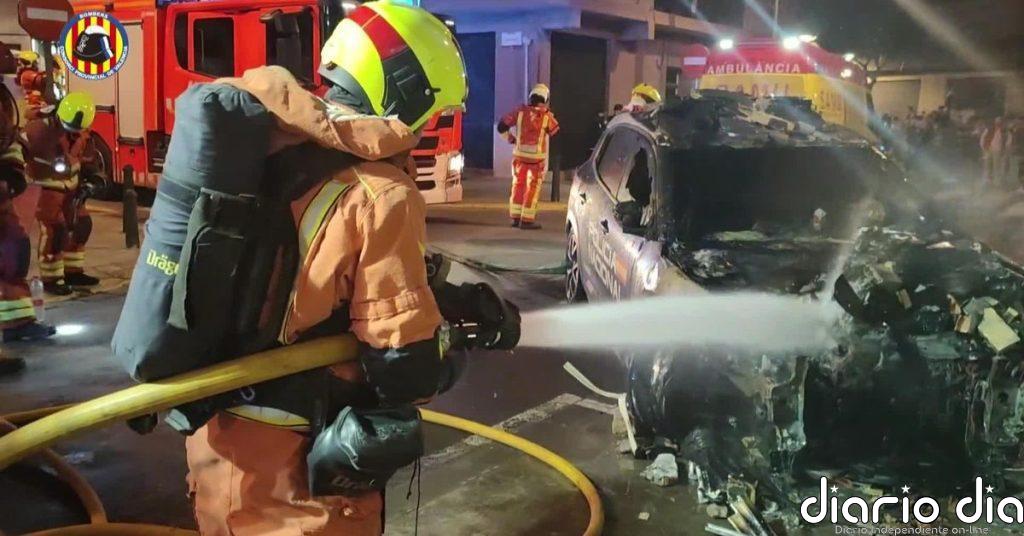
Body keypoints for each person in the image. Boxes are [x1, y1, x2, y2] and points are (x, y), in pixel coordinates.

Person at [182, 3, 474, 534]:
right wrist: (451, 347)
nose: (428, 126)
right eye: (433, 113)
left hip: (218, 445)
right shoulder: (379, 193)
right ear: (404, 93)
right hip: (298, 475)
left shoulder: (264, 145)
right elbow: (401, 365)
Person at [21, 92, 99, 295]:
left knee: (83, 224)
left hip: (71, 186)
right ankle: (52, 278)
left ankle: (73, 271)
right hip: (45, 185)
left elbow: (87, 156)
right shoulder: (38, 129)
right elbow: (22, 154)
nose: (73, 132)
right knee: (56, 230)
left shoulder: (82, 131)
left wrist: (94, 178)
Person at [497, 83, 560, 229]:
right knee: (532, 188)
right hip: (536, 161)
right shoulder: (546, 116)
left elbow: (501, 126)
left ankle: (515, 217)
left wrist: (511, 139)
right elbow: (556, 133)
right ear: (545, 99)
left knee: (518, 185)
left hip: (519, 157)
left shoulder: (519, 112)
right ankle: (527, 220)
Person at [980, 117, 1010, 185]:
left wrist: (1005, 149)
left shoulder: (1005, 131)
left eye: (1000, 123)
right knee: (987, 165)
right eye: (997, 123)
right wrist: (983, 147)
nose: (998, 124)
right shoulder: (989, 129)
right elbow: (983, 138)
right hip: (989, 149)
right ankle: (988, 181)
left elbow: (1008, 141)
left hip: (998, 150)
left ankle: (997, 182)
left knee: (997, 166)